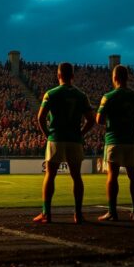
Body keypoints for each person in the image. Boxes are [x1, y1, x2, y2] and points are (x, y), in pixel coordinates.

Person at [33, 62, 95, 224]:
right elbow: (91, 120)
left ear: (58, 75)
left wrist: (48, 135)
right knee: (76, 176)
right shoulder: (81, 95)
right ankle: (78, 214)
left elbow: (40, 118)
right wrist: (80, 133)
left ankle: (47, 213)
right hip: (74, 139)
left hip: (57, 138)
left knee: (50, 175)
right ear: (73, 76)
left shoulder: (51, 94)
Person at [96, 65, 134, 222]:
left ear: (115, 78)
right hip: (131, 141)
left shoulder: (108, 96)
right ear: (127, 78)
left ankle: (112, 211)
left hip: (114, 140)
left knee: (113, 175)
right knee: (133, 175)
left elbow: (99, 119)